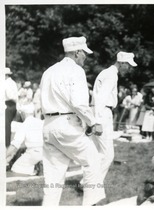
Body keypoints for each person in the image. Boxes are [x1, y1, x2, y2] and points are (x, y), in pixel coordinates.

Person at [40, 36, 105, 206]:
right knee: (93, 160)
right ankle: (91, 205)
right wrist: (93, 122)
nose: (86, 57)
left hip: (48, 125)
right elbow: (78, 103)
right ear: (77, 52)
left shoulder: (49, 71)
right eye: (84, 53)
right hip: (66, 125)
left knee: (53, 177)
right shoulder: (76, 71)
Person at [91, 51, 137, 183]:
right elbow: (100, 98)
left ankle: (87, 182)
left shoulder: (107, 73)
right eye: (128, 65)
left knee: (98, 152)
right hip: (103, 112)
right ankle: (93, 184)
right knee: (107, 155)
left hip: (100, 111)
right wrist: (98, 121)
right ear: (122, 63)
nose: (128, 69)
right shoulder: (111, 75)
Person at [6, 103, 43, 175]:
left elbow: (15, 145)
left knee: (16, 167)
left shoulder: (24, 125)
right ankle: (37, 166)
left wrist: (4, 156)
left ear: (23, 114)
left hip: (34, 152)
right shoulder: (40, 122)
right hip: (45, 152)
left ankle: (35, 169)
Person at [5, 67, 19, 147]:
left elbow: (10, 95)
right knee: (7, 124)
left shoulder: (6, 83)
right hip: (12, 104)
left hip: (8, 103)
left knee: (6, 125)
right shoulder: (12, 82)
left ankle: (6, 144)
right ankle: (6, 143)